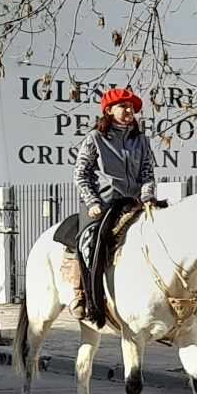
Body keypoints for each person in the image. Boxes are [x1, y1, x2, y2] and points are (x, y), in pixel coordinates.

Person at [72, 86, 158, 322]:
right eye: (123, 106)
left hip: (133, 202)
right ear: (109, 110)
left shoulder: (141, 140)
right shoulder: (95, 138)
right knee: (89, 243)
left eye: (131, 107)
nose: (129, 110)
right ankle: (84, 295)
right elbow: (81, 173)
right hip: (103, 203)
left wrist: (148, 196)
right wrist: (92, 201)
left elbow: (148, 173)